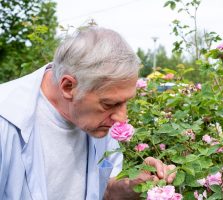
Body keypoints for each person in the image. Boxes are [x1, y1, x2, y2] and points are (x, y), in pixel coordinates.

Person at [0, 26, 176, 200]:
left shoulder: (97, 120)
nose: (122, 118)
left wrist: (132, 185)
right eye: (109, 104)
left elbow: (104, 191)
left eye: (125, 102)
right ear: (68, 87)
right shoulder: (6, 119)